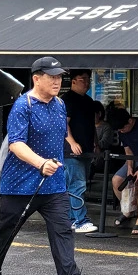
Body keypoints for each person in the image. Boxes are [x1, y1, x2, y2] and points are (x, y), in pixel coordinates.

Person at [0, 57, 101, 275]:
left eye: (59, 77)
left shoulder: (60, 104)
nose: (57, 82)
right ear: (36, 78)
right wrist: (41, 163)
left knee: (63, 230)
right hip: (20, 185)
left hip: (53, 184)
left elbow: (61, 135)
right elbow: (16, 144)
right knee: (7, 231)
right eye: (52, 77)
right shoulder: (23, 106)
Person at [60, 69, 98, 233]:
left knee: (75, 185)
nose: (87, 82)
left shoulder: (88, 101)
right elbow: (63, 123)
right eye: (83, 79)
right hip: (71, 151)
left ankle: (72, 219)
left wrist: (96, 143)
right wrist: (72, 142)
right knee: (77, 185)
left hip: (86, 149)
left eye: (88, 79)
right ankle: (81, 220)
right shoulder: (67, 99)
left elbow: (91, 125)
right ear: (73, 81)